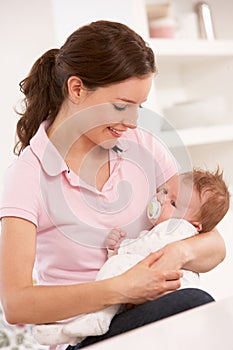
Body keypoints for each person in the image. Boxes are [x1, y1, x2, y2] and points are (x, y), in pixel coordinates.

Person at [0, 20, 226, 350]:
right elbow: (16, 303)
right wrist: (123, 287)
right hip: (83, 336)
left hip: (148, 319)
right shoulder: (28, 175)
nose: (132, 122)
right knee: (192, 305)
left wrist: (176, 251)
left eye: (139, 107)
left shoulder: (144, 148)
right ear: (76, 89)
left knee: (197, 310)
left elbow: (214, 244)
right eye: (121, 106)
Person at [32, 168, 230, 346]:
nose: (161, 199)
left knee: (119, 268)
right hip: (141, 305)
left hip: (164, 297)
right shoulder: (31, 176)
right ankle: (86, 323)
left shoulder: (177, 230)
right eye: (163, 190)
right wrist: (117, 249)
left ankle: (95, 319)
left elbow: (146, 250)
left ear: (195, 225)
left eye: (172, 203)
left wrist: (121, 250)